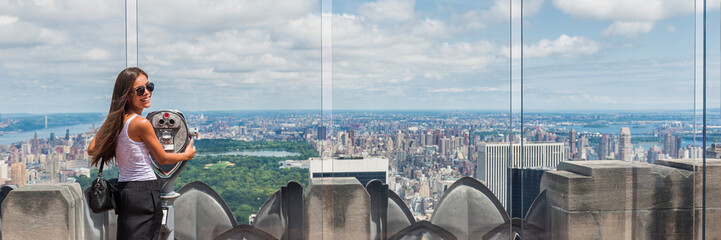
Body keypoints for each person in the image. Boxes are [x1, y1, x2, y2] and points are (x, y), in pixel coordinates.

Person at [87, 67, 195, 239]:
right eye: (140, 90)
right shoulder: (141, 123)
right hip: (144, 192)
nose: (147, 92)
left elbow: (92, 149)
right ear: (127, 95)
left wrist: (111, 119)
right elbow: (163, 158)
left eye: (149, 86)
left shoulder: (117, 121)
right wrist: (186, 155)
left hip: (125, 191)